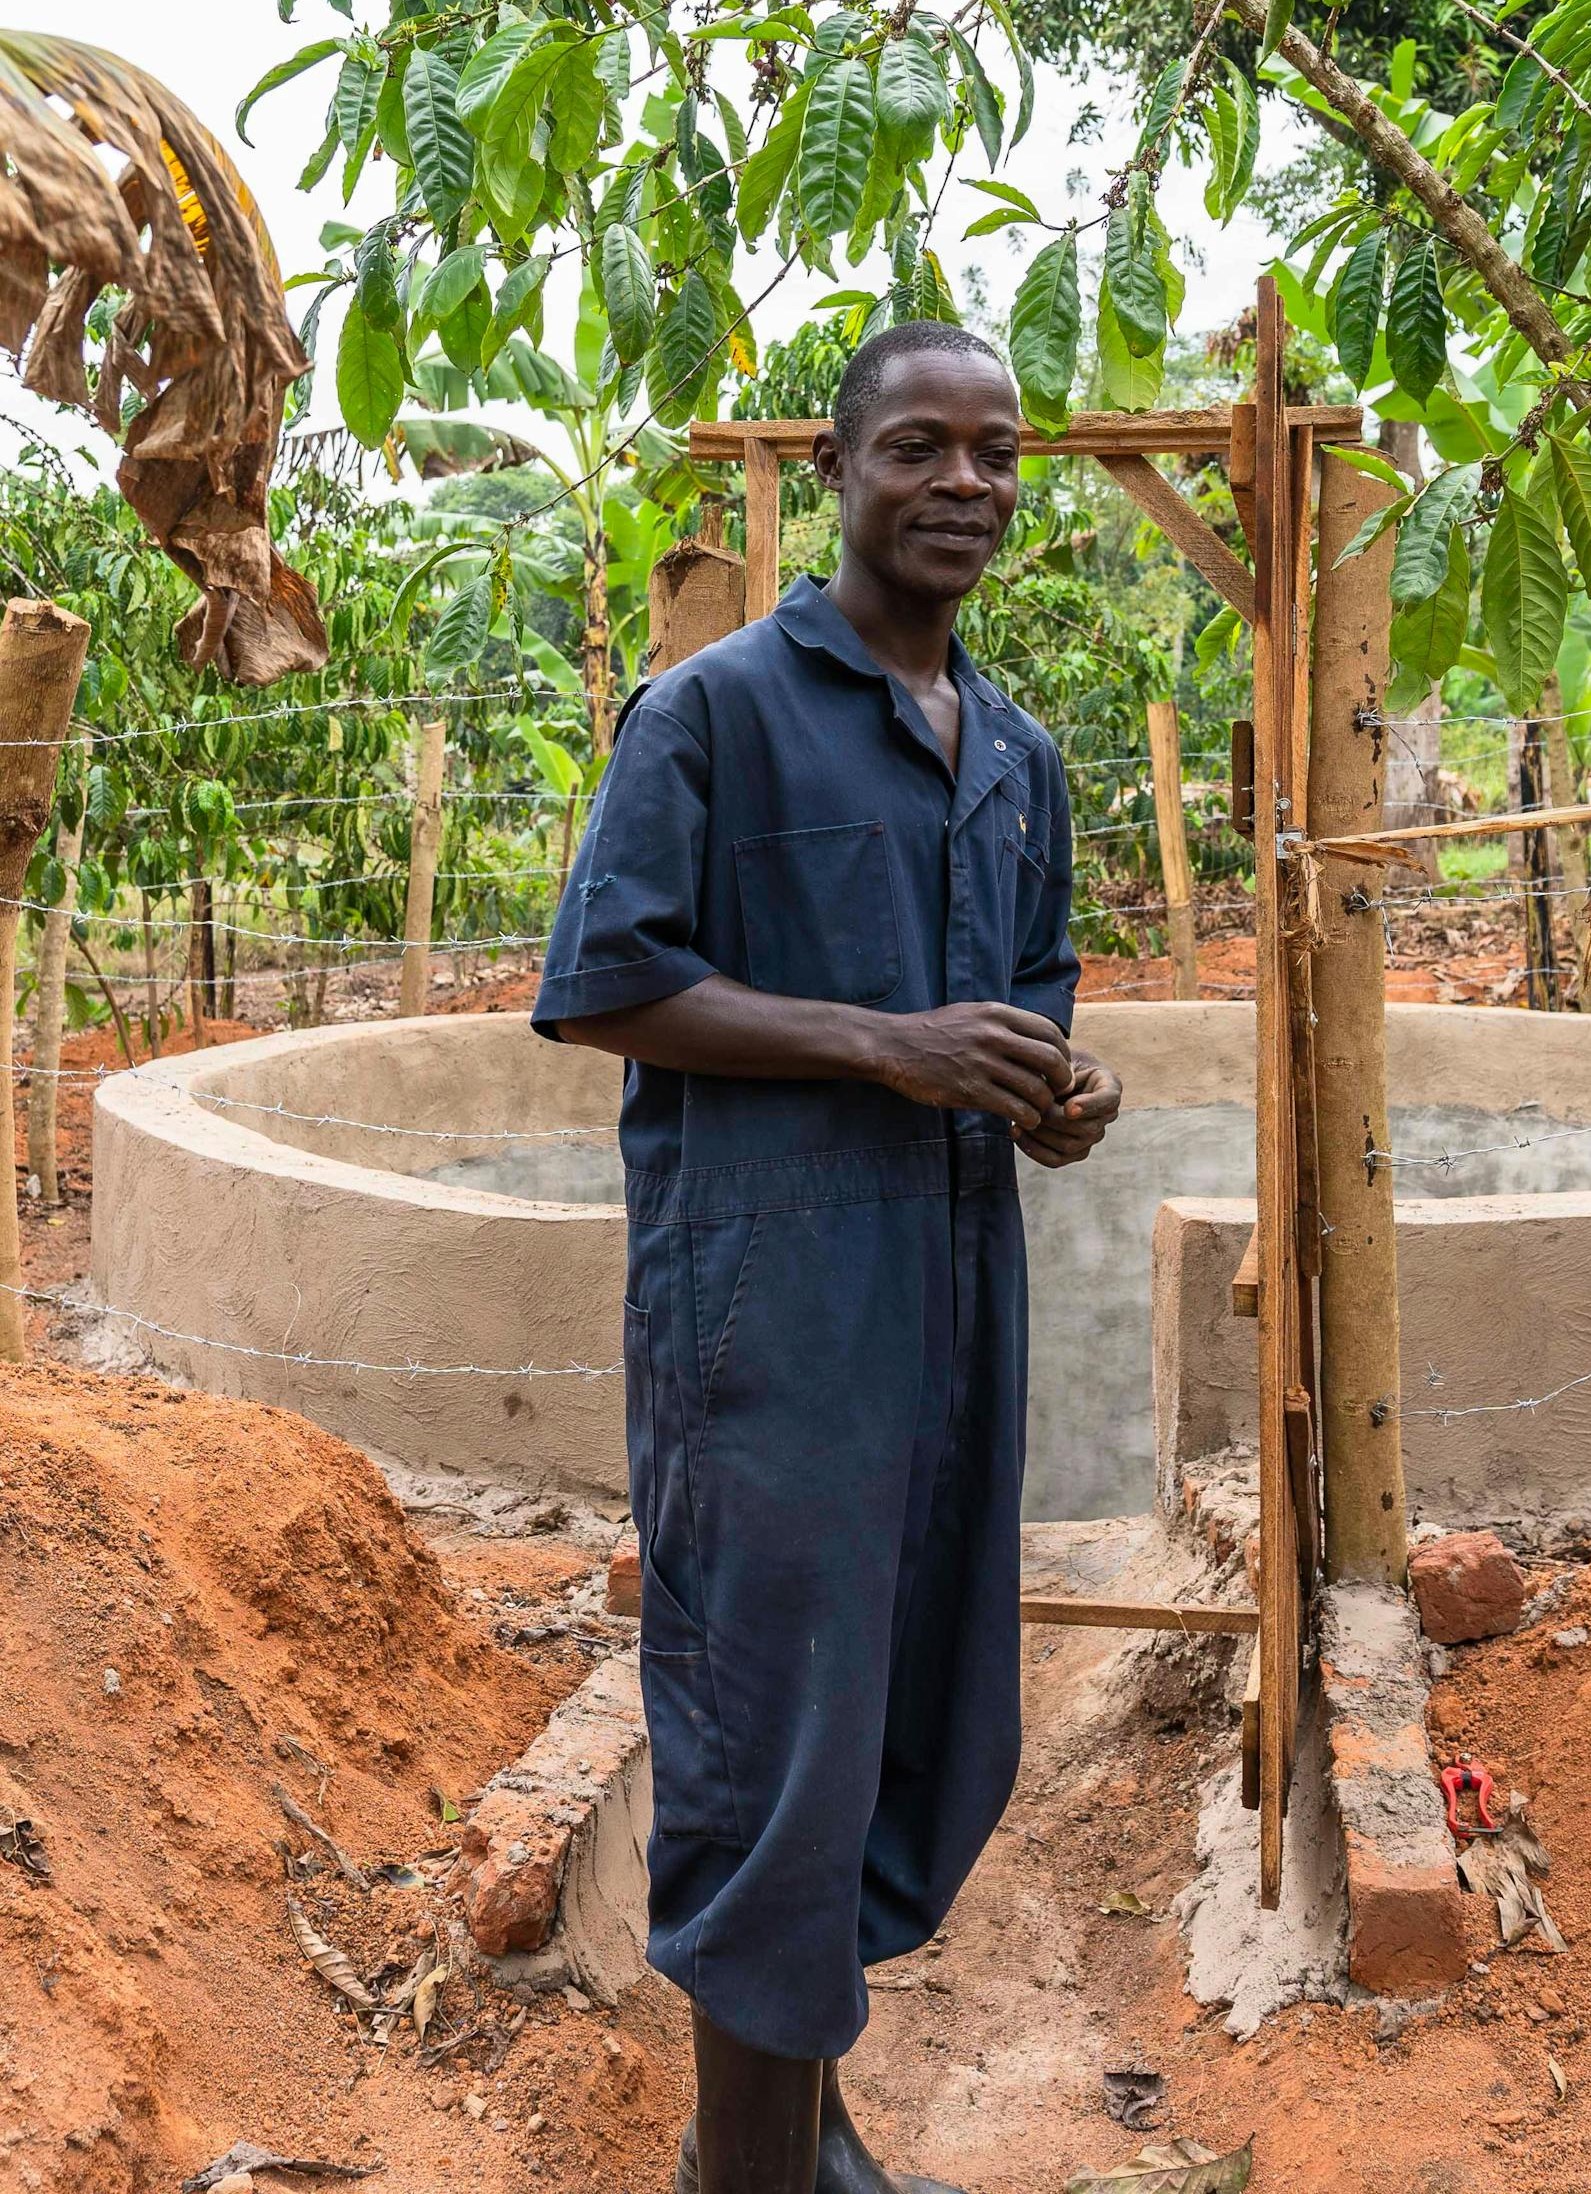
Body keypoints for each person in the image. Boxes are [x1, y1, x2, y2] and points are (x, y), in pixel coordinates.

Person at [534, 322, 1124, 2194]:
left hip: (955, 1299)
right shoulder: (711, 713)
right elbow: (607, 985)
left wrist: (1051, 1087)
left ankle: (819, 2134)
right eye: (921, 451)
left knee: (896, 1717)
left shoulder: (1013, 750)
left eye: (1000, 453)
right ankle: (749, 2175)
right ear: (847, 469)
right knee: (772, 1741)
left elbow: (1022, 999)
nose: (967, 485)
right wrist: (888, 1046)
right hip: (773, 1315)